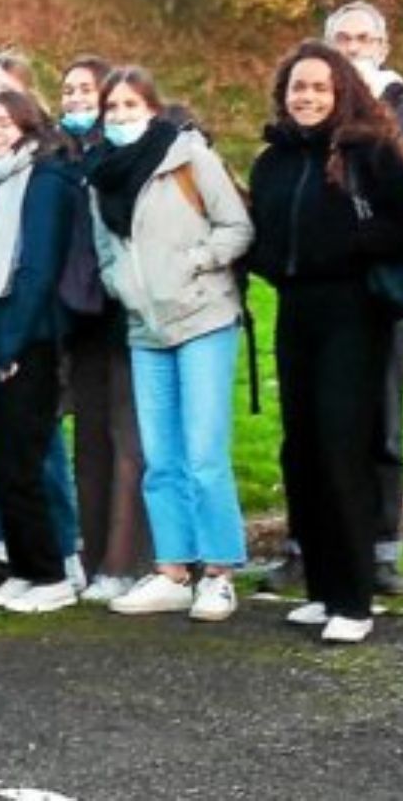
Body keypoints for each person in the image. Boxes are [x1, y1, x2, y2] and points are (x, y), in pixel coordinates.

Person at [246, 41, 403, 645]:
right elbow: (266, 234)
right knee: (301, 448)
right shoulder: (273, 160)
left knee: (342, 446)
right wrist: (279, 261)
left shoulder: (369, 151)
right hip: (297, 310)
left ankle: (354, 596)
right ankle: (322, 586)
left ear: (342, 91)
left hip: (354, 311)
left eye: (320, 88)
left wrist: (348, 245)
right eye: (299, 87)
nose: (308, 97)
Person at [87, 67, 253, 621]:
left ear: (153, 110)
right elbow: (107, 253)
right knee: (161, 456)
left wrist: (194, 264)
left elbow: (236, 228)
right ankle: (174, 567)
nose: (121, 117)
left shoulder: (188, 159)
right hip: (145, 327)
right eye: (113, 108)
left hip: (203, 317)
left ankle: (220, 571)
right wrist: (123, 286)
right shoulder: (102, 178)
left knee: (205, 451)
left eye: (132, 106)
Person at [0, 91, 84, 614]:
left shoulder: (45, 181)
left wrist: (11, 344)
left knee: (24, 461)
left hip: (26, 341)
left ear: (28, 128)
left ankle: (52, 572)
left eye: (3, 123)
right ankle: (25, 568)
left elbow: (35, 269)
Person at [57, 54, 152, 603]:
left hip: (126, 312)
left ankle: (125, 559)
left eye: (85, 92)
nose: (75, 101)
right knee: (89, 443)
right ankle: (95, 559)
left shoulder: (128, 160)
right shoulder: (71, 157)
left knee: (126, 441)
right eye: (66, 91)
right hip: (82, 313)